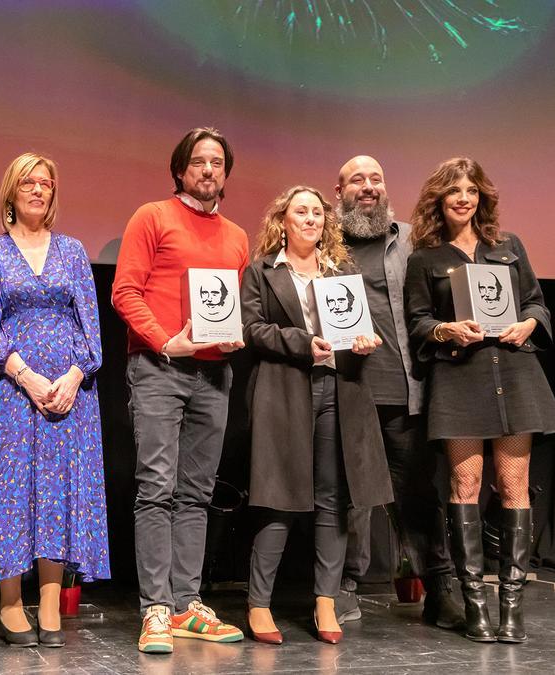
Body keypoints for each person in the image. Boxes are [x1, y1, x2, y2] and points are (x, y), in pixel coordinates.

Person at [404, 157, 555, 644]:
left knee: (514, 486)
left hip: (515, 374)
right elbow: (416, 322)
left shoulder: (507, 246)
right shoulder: (425, 258)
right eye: (453, 191)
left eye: (471, 190)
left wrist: (529, 323)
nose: (463, 198)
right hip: (459, 379)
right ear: (438, 199)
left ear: (481, 197)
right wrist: (444, 328)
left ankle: (511, 608)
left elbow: (536, 301)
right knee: (464, 482)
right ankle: (475, 605)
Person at [0, 152, 110, 649]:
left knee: (55, 494)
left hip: (69, 396)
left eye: (46, 183)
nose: (37, 190)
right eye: (28, 182)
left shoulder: (73, 251)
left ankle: (49, 603)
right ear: (11, 191)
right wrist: (26, 377)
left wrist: (71, 378)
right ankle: (9, 601)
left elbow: (92, 332)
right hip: (7, 393)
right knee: (11, 495)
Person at [111, 127, 249, 654]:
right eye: (199, 161)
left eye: (217, 162)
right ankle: (156, 611)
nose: (209, 169)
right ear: (180, 169)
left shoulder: (237, 236)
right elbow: (125, 291)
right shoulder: (152, 217)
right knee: (157, 487)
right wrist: (167, 341)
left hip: (216, 375)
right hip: (159, 369)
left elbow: (235, 304)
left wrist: (233, 336)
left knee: (197, 492)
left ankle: (189, 604)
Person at [241, 186, 393, 645]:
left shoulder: (342, 270)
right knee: (281, 498)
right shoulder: (262, 271)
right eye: (300, 212)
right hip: (285, 390)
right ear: (282, 220)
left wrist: (363, 342)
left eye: (316, 213)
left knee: (334, 498)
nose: (309, 219)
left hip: (339, 389)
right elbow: (251, 329)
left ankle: (326, 600)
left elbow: (357, 327)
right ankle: (259, 603)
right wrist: (301, 344)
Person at [334, 155, 463, 629]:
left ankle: (439, 589)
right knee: (349, 497)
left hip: (406, 389)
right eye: (356, 180)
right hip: (347, 388)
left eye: (376, 178)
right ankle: (345, 586)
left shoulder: (411, 239)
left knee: (418, 495)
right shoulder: (324, 244)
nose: (368, 187)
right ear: (339, 190)